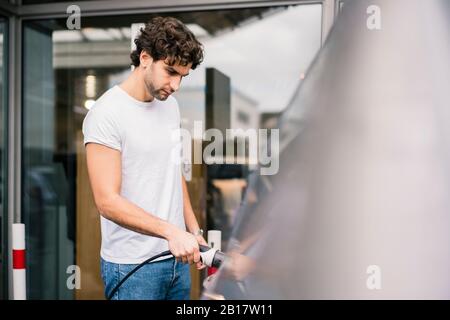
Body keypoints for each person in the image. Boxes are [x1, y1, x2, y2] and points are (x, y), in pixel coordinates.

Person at [82, 16, 207, 300]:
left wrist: (193, 231)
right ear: (146, 57)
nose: (175, 86)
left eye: (183, 77)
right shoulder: (106, 113)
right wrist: (171, 233)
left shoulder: (170, 107)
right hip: (133, 267)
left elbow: (173, 173)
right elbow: (106, 201)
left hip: (176, 261)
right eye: (171, 72)